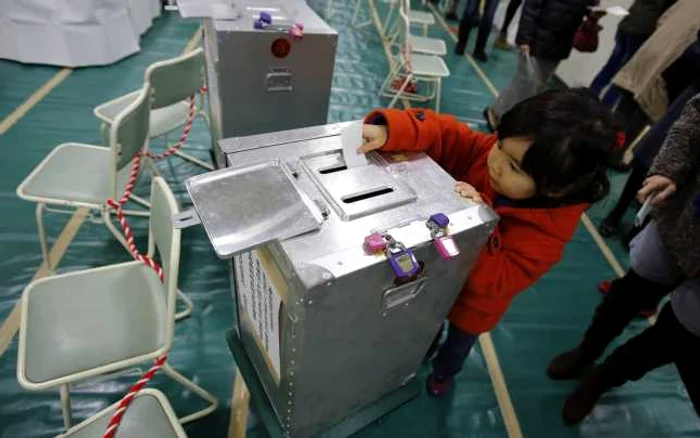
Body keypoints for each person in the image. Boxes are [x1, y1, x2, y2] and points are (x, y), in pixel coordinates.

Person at [359, 88, 620, 396]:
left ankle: (444, 373)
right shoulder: (495, 156)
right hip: (437, 283)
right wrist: (393, 130)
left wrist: (475, 215)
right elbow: (449, 135)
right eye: (499, 144)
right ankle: (423, 351)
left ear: (556, 189)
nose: (495, 163)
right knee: (425, 325)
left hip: (472, 308)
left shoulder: (548, 236)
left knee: (456, 346)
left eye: (515, 168)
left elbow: (492, 281)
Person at [547, 93, 700, 424]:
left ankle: (603, 378)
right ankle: (587, 351)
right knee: (629, 294)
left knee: (676, 337)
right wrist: (670, 170)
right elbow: (694, 121)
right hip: (685, 221)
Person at [484, 0, 595, 130]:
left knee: (536, 86)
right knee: (526, 83)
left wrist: (592, 16)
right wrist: (525, 39)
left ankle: (500, 114)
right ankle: (502, 116)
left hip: (559, 44)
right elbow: (531, 7)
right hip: (537, 40)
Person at [589, 0, 677, 108]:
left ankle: (589, 96)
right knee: (624, 73)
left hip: (628, 22)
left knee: (611, 65)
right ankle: (604, 107)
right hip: (643, 29)